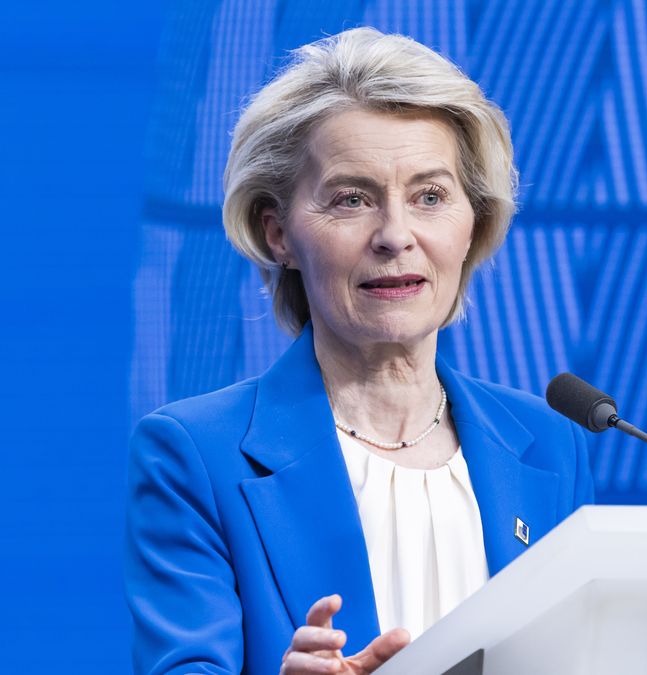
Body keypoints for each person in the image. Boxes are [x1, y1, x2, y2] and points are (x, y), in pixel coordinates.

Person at [124, 27, 594, 675]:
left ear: (473, 223)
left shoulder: (549, 444)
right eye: (352, 199)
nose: (395, 235)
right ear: (279, 232)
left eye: (430, 196)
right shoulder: (194, 451)